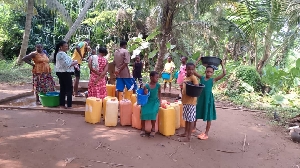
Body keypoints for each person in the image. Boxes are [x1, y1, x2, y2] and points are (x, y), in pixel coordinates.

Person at [194, 61, 226, 140]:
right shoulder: (201, 78)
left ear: (212, 73)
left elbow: (224, 73)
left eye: (210, 72)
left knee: (209, 116)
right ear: (205, 71)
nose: (209, 73)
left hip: (208, 100)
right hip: (201, 98)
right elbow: (193, 70)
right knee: (196, 113)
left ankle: (206, 133)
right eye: (207, 71)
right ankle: (193, 128)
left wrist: (222, 64)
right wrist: (198, 59)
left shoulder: (213, 80)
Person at [54, 41, 79, 109]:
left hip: (61, 72)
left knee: (63, 88)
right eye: (65, 46)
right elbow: (67, 65)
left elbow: (67, 63)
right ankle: (69, 105)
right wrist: (75, 62)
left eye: (67, 46)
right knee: (69, 89)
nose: (67, 47)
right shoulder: (61, 54)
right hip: (65, 72)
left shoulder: (60, 53)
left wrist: (73, 62)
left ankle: (62, 104)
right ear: (61, 47)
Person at [179, 63, 199, 142]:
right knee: (187, 119)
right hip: (185, 101)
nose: (191, 71)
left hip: (191, 102)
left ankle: (188, 137)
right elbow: (183, 88)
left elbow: (197, 87)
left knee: (190, 120)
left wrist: (190, 84)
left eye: (192, 69)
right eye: (189, 69)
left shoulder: (193, 78)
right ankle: (185, 132)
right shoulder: (185, 77)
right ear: (186, 69)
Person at [140, 71, 161, 138]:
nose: (157, 79)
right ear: (151, 77)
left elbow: (159, 94)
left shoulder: (158, 85)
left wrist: (160, 101)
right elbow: (143, 95)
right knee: (143, 112)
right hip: (147, 101)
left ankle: (153, 129)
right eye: (156, 77)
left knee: (153, 112)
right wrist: (145, 92)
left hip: (155, 102)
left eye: (158, 77)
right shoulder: (146, 86)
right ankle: (143, 129)